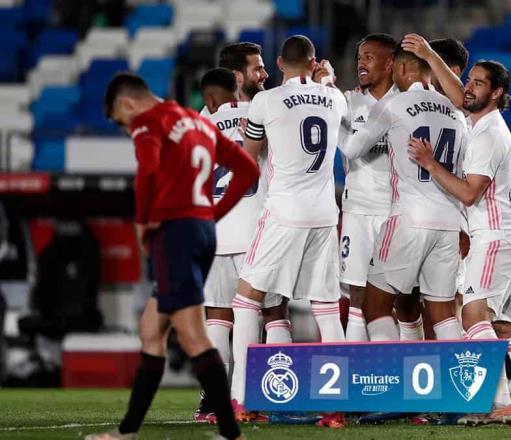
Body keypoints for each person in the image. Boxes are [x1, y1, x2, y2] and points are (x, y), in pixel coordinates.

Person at [86, 72, 259, 440]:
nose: (126, 127)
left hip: (174, 233)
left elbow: (147, 171)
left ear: (126, 104)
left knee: (194, 336)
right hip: (200, 231)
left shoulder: (149, 123)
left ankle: (231, 433)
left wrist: (143, 222)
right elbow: (248, 168)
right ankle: (127, 432)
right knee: (152, 329)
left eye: (122, 121)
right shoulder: (195, 121)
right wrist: (210, 214)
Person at [408, 60, 511, 427]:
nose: (468, 88)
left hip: (494, 239)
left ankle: (496, 401)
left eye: (477, 83)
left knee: (473, 315)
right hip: (505, 237)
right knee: (507, 328)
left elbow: (470, 193)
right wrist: (427, 52)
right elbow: (458, 97)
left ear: (497, 93)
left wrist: (430, 162)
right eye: (468, 81)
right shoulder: (481, 123)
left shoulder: (488, 136)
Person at [235, 35, 348, 428]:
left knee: (247, 299)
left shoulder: (265, 101)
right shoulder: (336, 98)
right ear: (314, 61)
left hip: (284, 210)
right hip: (324, 212)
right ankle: (336, 408)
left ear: (280, 62)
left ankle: (242, 400)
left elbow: (248, 157)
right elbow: (326, 93)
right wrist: (326, 79)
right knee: (328, 308)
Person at [340, 47, 468, 344]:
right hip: (448, 222)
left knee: (374, 306)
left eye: (396, 70)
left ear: (404, 70)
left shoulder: (395, 104)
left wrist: (345, 114)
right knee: (443, 313)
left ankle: (388, 381)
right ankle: (457, 384)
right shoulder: (456, 112)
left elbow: (352, 149)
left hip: (408, 217)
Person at [196, 67, 275, 423]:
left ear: (209, 99)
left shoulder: (198, 128)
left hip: (215, 233)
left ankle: (214, 401)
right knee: (259, 314)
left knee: (216, 316)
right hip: (256, 233)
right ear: (236, 89)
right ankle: (254, 397)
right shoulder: (258, 114)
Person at [340, 33, 399, 342]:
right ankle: (356, 365)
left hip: (395, 211)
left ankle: (394, 363)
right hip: (358, 209)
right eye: (359, 57)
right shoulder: (350, 102)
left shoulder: (404, 103)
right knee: (356, 289)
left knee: (399, 294)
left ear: (390, 63)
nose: (361, 63)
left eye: (369, 57)